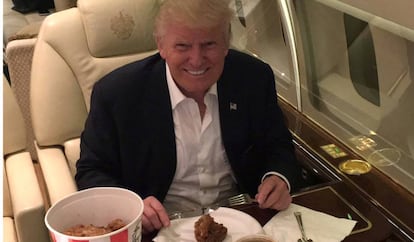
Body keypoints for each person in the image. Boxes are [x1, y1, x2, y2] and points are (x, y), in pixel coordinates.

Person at [75, 0, 301, 234]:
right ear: (161, 45)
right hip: (157, 229)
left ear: (226, 43)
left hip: (242, 223)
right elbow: (91, 172)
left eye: (209, 44)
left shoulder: (253, 78)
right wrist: (131, 207)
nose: (196, 59)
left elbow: (278, 145)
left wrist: (278, 177)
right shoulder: (117, 94)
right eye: (182, 46)